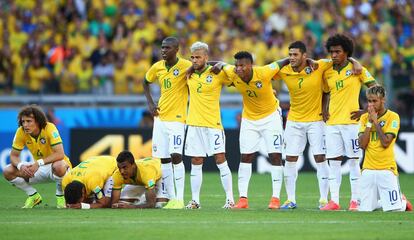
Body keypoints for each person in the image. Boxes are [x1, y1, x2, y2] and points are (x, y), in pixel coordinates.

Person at [216, 51, 287, 209]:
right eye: (237, 65)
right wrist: (197, 68)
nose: (238, 68)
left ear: (251, 65)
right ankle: (243, 199)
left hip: (271, 117)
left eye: (242, 65)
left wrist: (308, 61)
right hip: (249, 119)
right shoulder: (232, 72)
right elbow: (219, 63)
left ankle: (275, 198)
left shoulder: (264, 71)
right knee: (245, 157)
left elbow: (285, 60)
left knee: (275, 156)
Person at [274, 41, 334, 209]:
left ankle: (323, 199)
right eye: (290, 54)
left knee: (320, 158)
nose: (291, 58)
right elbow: (264, 74)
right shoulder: (284, 70)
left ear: (304, 56)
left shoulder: (318, 66)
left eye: (295, 55)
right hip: (294, 121)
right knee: (290, 159)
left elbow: (341, 59)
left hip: (316, 120)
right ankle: (290, 199)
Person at [321, 34, 376, 211]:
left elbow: (375, 88)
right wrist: (325, 109)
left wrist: (365, 110)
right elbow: (326, 92)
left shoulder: (357, 69)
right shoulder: (327, 71)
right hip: (332, 124)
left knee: (353, 161)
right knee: (334, 162)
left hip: (352, 124)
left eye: (338, 51)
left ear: (346, 53)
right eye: (332, 52)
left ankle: (355, 201)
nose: (334, 55)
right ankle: (334, 201)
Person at [143, 37, 192, 209]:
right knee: (163, 159)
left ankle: (179, 198)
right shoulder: (157, 67)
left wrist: (219, 65)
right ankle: (172, 199)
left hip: (178, 119)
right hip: (160, 118)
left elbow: (204, 65)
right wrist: (150, 102)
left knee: (176, 156)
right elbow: (145, 81)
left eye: (167, 48)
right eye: (162, 48)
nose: (163, 51)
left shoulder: (186, 65)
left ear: (176, 49)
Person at [185, 41, 234, 209]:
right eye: (192, 57)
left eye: (198, 57)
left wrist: (221, 63)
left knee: (220, 160)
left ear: (206, 57)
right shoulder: (189, 74)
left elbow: (235, 73)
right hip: (193, 124)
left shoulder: (217, 73)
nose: (194, 60)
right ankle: (195, 201)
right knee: (196, 161)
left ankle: (230, 199)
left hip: (213, 124)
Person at [3, 105, 71, 208]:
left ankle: (60, 197)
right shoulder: (21, 131)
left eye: (29, 121)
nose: (25, 125)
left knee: (59, 166)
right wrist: (20, 165)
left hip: (58, 167)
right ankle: (33, 195)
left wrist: (38, 163)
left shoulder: (49, 127)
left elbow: (60, 154)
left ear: (38, 121)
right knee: (8, 171)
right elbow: (13, 156)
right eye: (23, 121)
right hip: (38, 168)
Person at [358, 85, 412, 212]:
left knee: (395, 210)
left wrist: (376, 123)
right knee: (365, 210)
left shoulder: (393, 117)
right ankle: (382, 201)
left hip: (386, 169)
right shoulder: (364, 118)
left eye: (374, 101)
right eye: (369, 101)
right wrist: (370, 123)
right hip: (368, 170)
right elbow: (362, 145)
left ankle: (402, 202)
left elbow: (386, 142)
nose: (370, 104)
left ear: (383, 100)